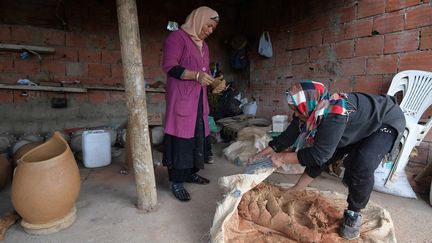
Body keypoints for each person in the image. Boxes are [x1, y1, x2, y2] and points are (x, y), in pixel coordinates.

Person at [247, 80, 405, 240]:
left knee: (361, 164)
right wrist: (260, 154)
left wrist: (283, 158)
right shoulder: (308, 110)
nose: (295, 113)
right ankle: (299, 187)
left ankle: (354, 213)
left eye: (296, 109)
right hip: (357, 125)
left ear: (306, 104)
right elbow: (286, 137)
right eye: (293, 109)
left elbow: (319, 155)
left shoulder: (334, 114)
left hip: (385, 121)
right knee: (328, 148)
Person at [161, 6, 225, 202]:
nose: (210, 30)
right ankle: (177, 182)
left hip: (199, 99)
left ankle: (190, 173)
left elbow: (204, 71)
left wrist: (214, 82)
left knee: (197, 135)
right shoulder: (177, 38)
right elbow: (170, 67)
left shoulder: (204, 46)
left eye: (213, 27)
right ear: (198, 20)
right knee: (182, 138)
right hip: (181, 98)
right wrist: (195, 76)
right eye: (208, 25)